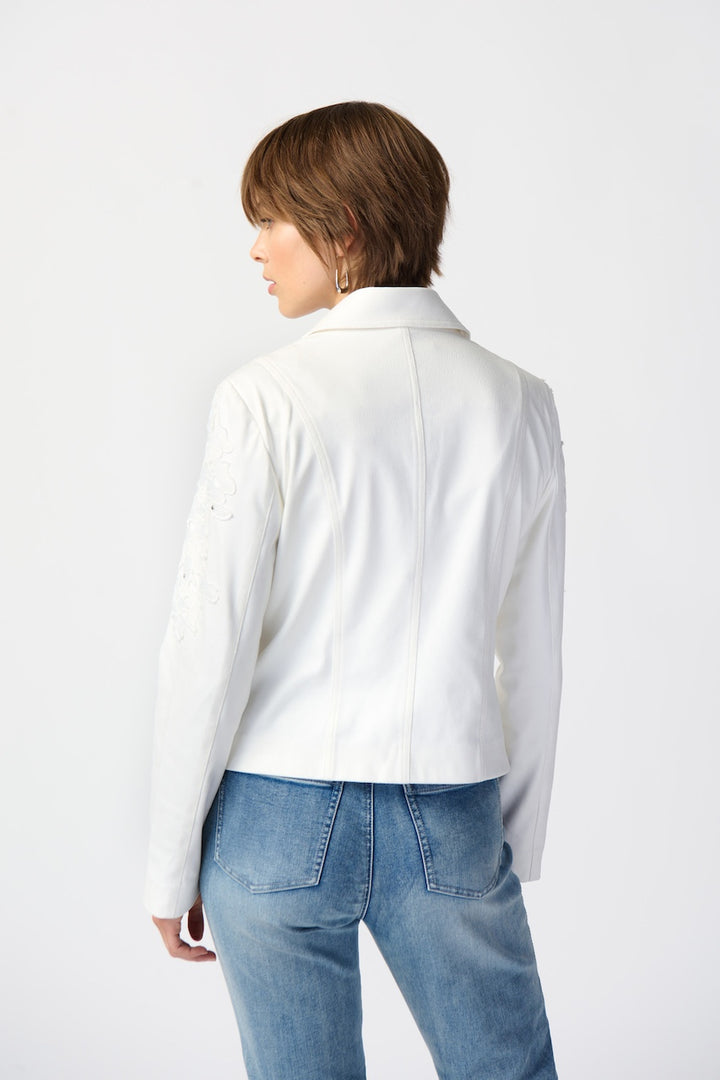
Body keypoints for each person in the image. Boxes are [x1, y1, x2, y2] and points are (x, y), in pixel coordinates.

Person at [145, 101, 566, 1080]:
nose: (256, 248)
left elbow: (209, 642)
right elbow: (534, 645)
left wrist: (169, 861)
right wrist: (510, 841)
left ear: (344, 230)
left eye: (271, 220)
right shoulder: (521, 402)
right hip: (452, 807)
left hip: (274, 817)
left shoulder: (264, 398)